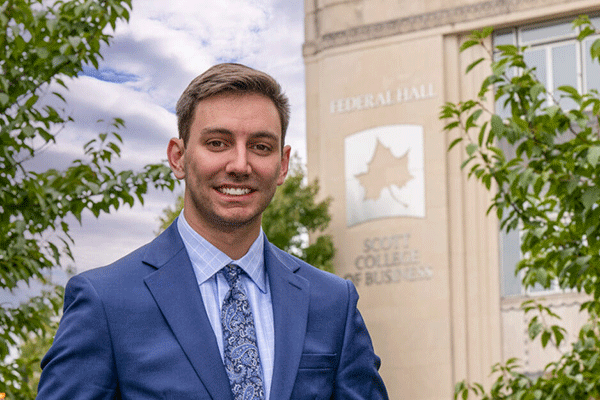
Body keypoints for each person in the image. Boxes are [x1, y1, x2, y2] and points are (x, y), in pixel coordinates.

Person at [37, 63, 388, 400]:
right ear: (178, 157)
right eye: (217, 143)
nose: (239, 165)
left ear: (282, 165)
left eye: (260, 147)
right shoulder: (105, 302)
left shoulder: (332, 304)